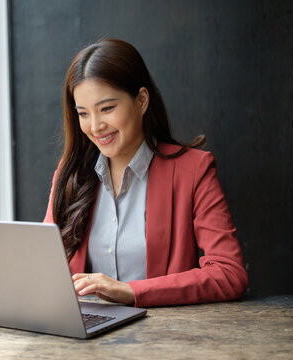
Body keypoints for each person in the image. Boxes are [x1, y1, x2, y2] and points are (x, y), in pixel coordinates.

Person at [43, 39, 248, 307]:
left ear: (141, 100)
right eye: (83, 113)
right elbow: (45, 271)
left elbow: (229, 273)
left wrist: (131, 291)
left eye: (107, 108)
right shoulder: (69, 175)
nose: (95, 126)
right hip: (85, 336)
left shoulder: (193, 171)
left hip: (160, 338)